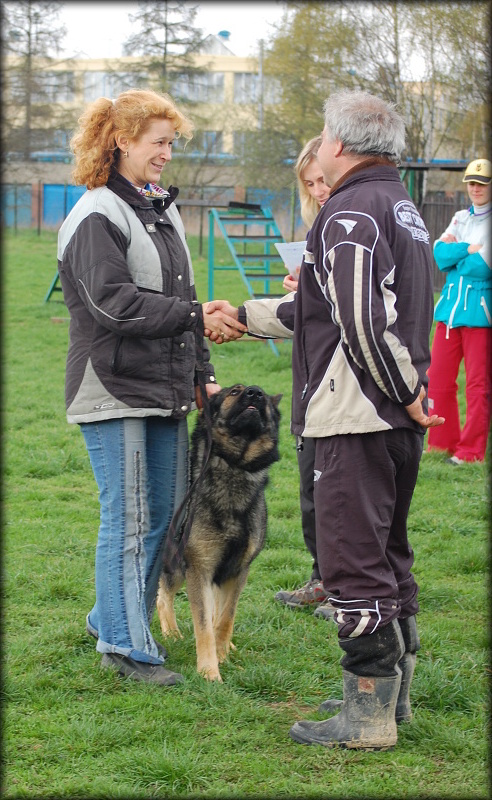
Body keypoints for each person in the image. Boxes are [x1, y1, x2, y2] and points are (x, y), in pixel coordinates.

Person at [222, 90, 445, 749]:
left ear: (341, 146)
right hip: (389, 418)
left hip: (358, 415)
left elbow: (358, 321)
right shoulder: (401, 207)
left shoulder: (351, 211)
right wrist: (243, 314)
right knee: (387, 554)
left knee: (351, 564)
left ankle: (367, 716)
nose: (316, 146)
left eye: (321, 135)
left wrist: (403, 390)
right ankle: (390, 697)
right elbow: (319, 310)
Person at [58, 88, 246, 686]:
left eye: (171, 142)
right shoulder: (95, 214)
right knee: (130, 518)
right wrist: (197, 318)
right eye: (159, 141)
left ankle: (107, 615)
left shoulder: (160, 210)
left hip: (164, 388)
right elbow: (113, 305)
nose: (168, 152)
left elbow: (178, 300)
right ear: (121, 141)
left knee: (164, 519)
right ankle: (124, 647)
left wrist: (203, 376)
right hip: (110, 385)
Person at [273, 136, 334, 613]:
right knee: (310, 491)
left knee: (340, 494)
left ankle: (348, 587)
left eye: (323, 179)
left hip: (341, 382)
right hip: (309, 378)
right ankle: (323, 577)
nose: (318, 191)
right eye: (309, 183)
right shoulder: (315, 230)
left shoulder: (354, 225)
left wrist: (308, 294)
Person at [426, 158, 492, 464]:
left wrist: (458, 256)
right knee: (438, 379)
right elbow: (439, 256)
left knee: (478, 385)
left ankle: (471, 451)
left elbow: (482, 268)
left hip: (481, 317)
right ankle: (441, 443)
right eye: (472, 183)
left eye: (482, 183)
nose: (476, 188)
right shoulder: (459, 217)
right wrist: (466, 248)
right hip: (448, 314)